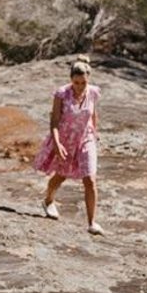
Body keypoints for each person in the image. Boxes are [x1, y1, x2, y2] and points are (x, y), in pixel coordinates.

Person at [32, 56, 103, 235]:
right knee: (61, 175)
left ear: (89, 80)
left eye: (83, 83)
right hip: (65, 139)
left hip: (86, 138)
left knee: (90, 178)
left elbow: (93, 114)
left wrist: (95, 133)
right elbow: (54, 121)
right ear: (71, 79)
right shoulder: (61, 94)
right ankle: (48, 200)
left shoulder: (93, 92)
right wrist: (57, 144)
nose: (79, 87)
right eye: (76, 82)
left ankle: (92, 223)